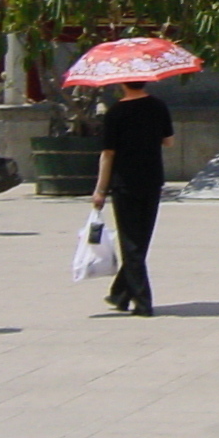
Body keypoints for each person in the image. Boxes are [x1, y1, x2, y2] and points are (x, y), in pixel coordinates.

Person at [90, 79, 175, 317]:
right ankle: (120, 293)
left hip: (124, 182)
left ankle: (143, 300)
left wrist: (100, 189)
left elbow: (108, 153)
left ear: (122, 83)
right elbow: (169, 141)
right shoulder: (158, 106)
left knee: (131, 242)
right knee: (141, 240)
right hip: (152, 180)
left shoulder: (116, 112)